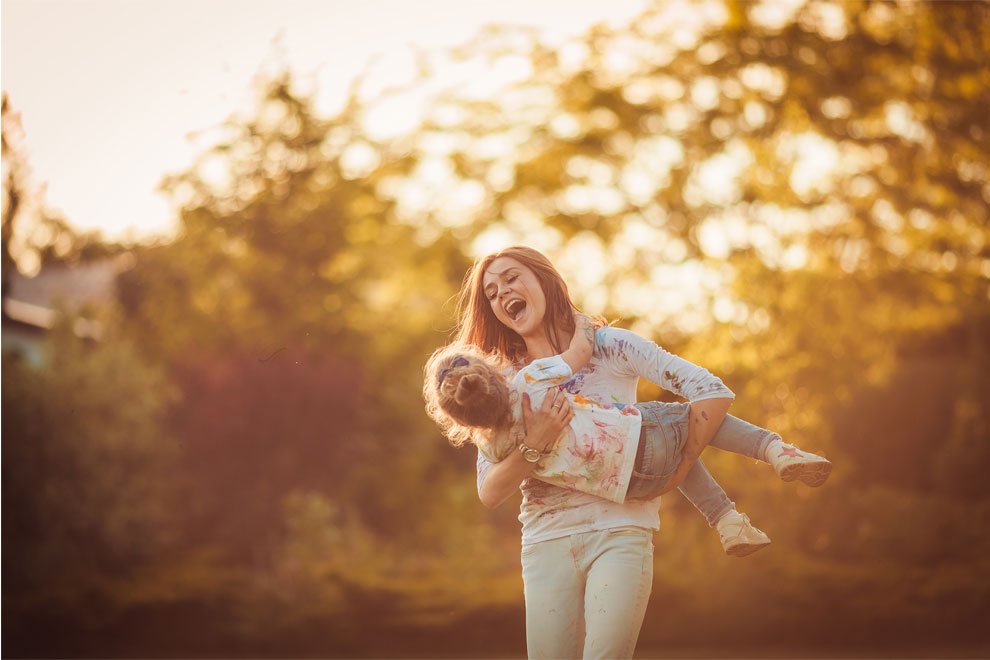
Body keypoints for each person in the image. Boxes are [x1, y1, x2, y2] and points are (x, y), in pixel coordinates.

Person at [445, 245, 830, 660]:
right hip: (546, 541)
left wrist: (681, 467)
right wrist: (535, 442)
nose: (501, 293)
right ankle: (755, 476)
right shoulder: (499, 382)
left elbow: (709, 393)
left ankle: (768, 458)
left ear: (543, 279)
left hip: (621, 530)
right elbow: (489, 490)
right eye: (490, 292)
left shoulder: (610, 345)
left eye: (511, 278)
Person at [422, 314, 830, 544]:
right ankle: (775, 450)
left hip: (627, 487)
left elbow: (492, 489)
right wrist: (581, 325)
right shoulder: (531, 379)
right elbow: (580, 353)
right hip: (635, 438)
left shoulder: (492, 449)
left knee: (677, 442)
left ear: (460, 421)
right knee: (688, 422)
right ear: (493, 372)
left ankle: (729, 523)